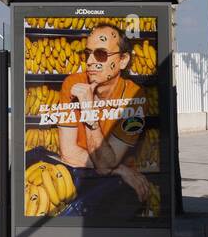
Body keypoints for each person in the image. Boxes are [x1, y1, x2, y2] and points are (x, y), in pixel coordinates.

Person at [55, 23, 151, 205]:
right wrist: (118, 168)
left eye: (100, 54)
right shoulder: (73, 85)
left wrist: (89, 111)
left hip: (116, 188)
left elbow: (106, 163)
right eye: (87, 53)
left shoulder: (134, 97)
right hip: (78, 179)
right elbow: (68, 154)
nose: (90, 61)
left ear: (122, 60)